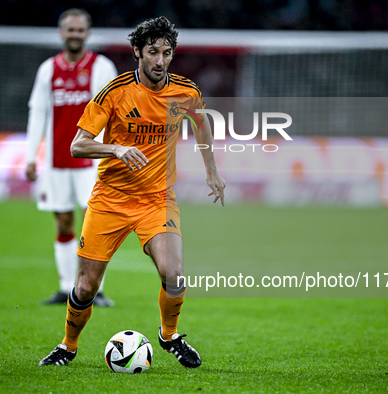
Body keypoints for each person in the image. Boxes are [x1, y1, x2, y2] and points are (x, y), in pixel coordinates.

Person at [38, 16, 226, 368]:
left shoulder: (186, 92)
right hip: (110, 200)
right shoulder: (115, 92)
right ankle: (68, 345)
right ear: (137, 52)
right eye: (153, 52)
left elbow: (202, 126)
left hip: (158, 200)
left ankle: (169, 336)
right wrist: (116, 149)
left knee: (175, 273)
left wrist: (212, 172)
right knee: (85, 287)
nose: (160, 61)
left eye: (167, 53)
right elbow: (78, 146)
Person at [25, 9, 117, 306]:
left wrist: (110, 153)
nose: (75, 34)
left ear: (87, 33)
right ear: (61, 33)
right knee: (64, 222)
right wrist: (30, 157)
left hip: (92, 160)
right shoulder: (48, 69)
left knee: (97, 224)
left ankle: (95, 289)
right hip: (56, 160)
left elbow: (112, 114)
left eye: (80, 30)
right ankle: (67, 287)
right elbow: (38, 113)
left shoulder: (102, 67)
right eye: (70, 30)